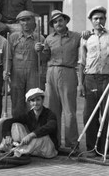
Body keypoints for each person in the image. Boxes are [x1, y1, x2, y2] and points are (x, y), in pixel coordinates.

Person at [77, 6, 109, 157]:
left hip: (108, 78)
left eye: (101, 18)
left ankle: (106, 149)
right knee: (89, 114)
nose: (98, 21)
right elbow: (81, 63)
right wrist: (80, 84)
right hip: (90, 79)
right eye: (95, 18)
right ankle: (91, 148)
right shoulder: (85, 38)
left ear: (105, 20)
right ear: (91, 21)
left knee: (108, 114)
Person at [35, 10, 81, 151]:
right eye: (55, 22)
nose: (58, 23)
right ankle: (55, 143)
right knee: (53, 110)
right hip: (52, 72)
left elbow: (85, 49)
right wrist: (39, 51)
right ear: (52, 25)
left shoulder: (76, 37)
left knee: (69, 110)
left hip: (68, 71)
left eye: (60, 20)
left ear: (66, 21)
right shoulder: (48, 39)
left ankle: (72, 143)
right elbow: (44, 59)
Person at [0, 88, 58, 158]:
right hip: (34, 150)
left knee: (43, 137)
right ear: (29, 103)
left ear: (42, 100)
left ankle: (15, 151)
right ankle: (11, 148)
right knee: (16, 125)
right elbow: (8, 122)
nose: (35, 103)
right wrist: (7, 135)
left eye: (38, 100)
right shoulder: (28, 115)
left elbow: (51, 126)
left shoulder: (50, 114)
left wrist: (31, 135)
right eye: (33, 100)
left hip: (47, 149)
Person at [6, 10, 45, 117]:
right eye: (23, 20)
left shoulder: (40, 38)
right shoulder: (13, 37)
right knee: (17, 101)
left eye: (28, 20)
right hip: (16, 74)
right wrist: (6, 71)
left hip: (33, 73)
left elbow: (44, 60)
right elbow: (8, 57)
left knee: (33, 100)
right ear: (19, 23)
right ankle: (17, 128)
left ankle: (32, 128)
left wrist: (40, 51)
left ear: (33, 21)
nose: (26, 23)